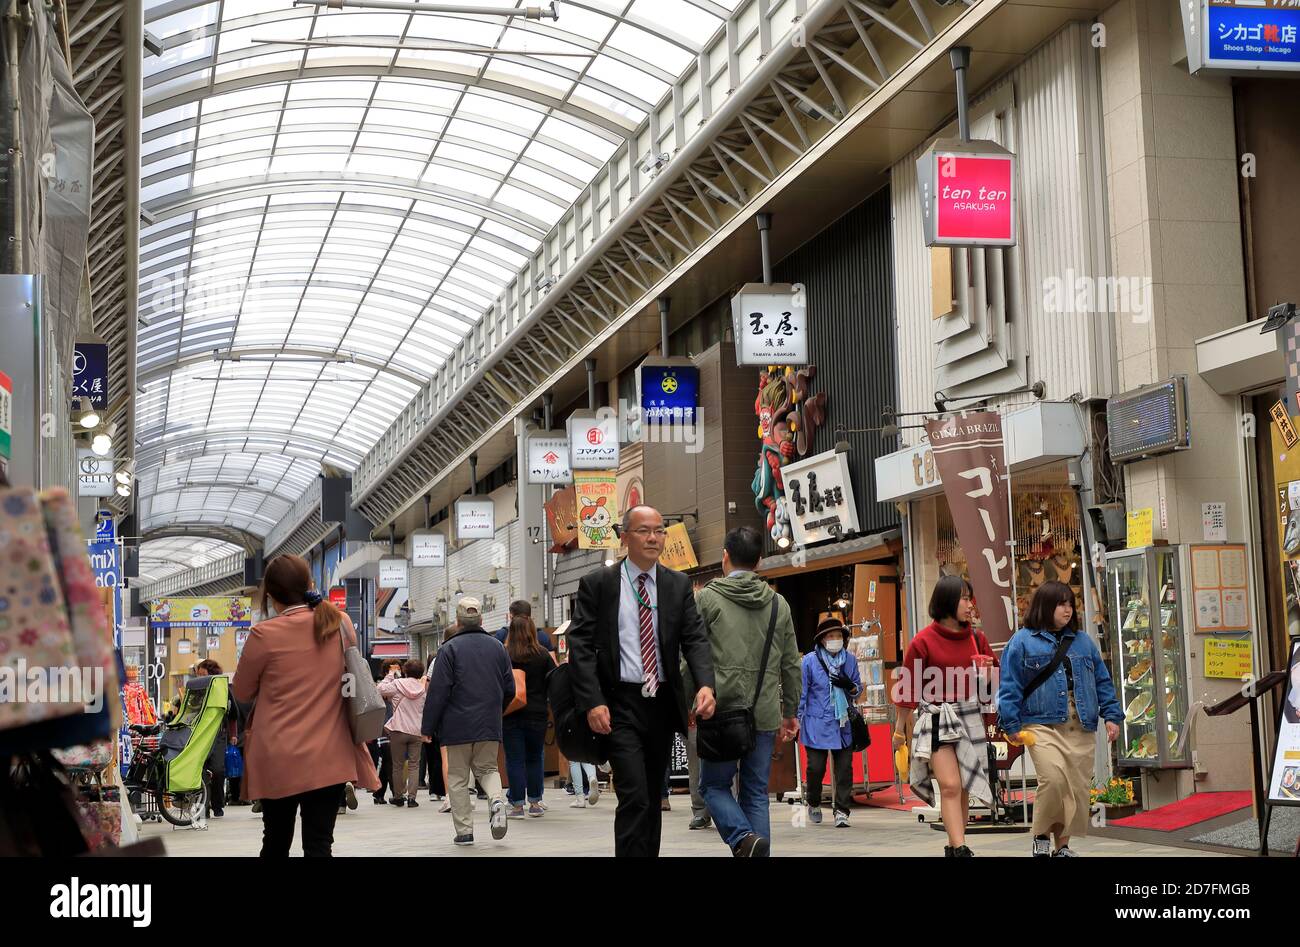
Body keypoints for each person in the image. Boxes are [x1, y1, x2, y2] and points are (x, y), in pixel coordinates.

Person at [567, 504, 717, 857]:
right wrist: (593, 700)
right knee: (633, 793)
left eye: (659, 530)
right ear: (624, 536)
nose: (653, 537)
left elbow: (694, 638)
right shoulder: (599, 584)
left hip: (661, 703)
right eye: (644, 530)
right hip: (618, 703)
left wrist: (706, 684)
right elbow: (581, 646)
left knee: (652, 795)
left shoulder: (677, 584)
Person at [232, 554, 380, 857]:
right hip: (331, 753)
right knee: (319, 844)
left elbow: (242, 691)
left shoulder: (264, 635)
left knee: (275, 841)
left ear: (271, 597)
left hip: (277, 756)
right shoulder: (340, 624)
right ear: (309, 584)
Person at [688, 525, 801, 856]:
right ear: (760, 562)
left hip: (720, 711)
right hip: (764, 714)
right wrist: (790, 712)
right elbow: (791, 665)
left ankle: (741, 838)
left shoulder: (707, 599)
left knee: (712, 786)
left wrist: (688, 702)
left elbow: (688, 658)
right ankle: (754, 848)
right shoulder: (779, 605)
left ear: (725, 557)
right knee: (754, 792)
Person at [998, 581, 1123, 857]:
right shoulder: (1021, 641)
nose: (1067, 610)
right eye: (1061, 604)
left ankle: (1062, 846)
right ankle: (1041, 836)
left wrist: (1112, 715)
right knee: (1053, 780)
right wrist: (1011, 724)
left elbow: (1102, 680)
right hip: (1041, 724)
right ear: (1045, 606)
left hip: (1081, 724)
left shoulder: (1082, 641)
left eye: (1070, 604)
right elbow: (1009, 686)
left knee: (1076, 789)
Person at [893, 575, 997, 857]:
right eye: (964, 598)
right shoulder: (922, 641)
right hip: (937, 719)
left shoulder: (977, 638)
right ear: (947, 601)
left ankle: (954, 845)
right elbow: (908, 688)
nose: (969, 604)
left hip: (970, 716)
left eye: (970, 597)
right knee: (950, 785)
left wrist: (988, 674)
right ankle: (961, 847)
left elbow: (993, 684)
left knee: (963, 786)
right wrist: (900, 729)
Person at [421, 597, 515, 846]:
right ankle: (496, 800)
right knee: (488, 769)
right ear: (482, 620)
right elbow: (510, 689)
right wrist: (497, 711)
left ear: (458, 622)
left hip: (457, 725)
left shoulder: (449, 650)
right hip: (489, 723)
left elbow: (438, 692)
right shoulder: (498, 648)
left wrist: (428, 727)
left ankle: (464, 831)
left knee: (459, 777)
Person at [798, 618, 861, 830]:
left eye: (839, 636)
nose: (835, 640)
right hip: (816, 722)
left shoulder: (850, 661)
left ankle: (842, 811)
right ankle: (813, 801)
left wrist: (850, 686)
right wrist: (796, 719)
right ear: (822, 639)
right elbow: (802, 694)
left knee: (844, 769)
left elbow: (857, 690)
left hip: (843, 722)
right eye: (831, 636)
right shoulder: (808, 661)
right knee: (815, 768)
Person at [502, 614, 557, 818]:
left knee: (514, 759)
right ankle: (535, 802)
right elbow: (555, 680)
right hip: (537, 713)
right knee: (534, 758)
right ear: (532, 631)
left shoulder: (505, 654)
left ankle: (517, 805)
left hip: (510, 713)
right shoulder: (542, 654)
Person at [378, 658, 429, 808]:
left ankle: (398, 796)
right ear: (421, 674)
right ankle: (412, 798)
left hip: (398, 730)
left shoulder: (397, 684)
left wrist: (390, 674)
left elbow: (380, 689)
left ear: (405, 671)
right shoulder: (422, 689)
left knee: (398, 765)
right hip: (416, 731)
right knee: (414, 765)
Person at [194, 658, 230, 818]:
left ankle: (217, 804)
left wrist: (233, 734)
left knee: (217, 770)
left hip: (218, 736)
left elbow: (233, 712)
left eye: (203, 674)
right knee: (202, 770)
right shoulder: (196, 691)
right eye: (198, 675)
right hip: (200, 735)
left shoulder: (223, 690)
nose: (199, 678)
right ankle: (205, 806)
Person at [371, 658, 402, 804]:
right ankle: (397, 793)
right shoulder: (380, 685)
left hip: (396, 727)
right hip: (384, 727)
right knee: (389, 760)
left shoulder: (401, 684)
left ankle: (379, 793)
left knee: (389, 761)